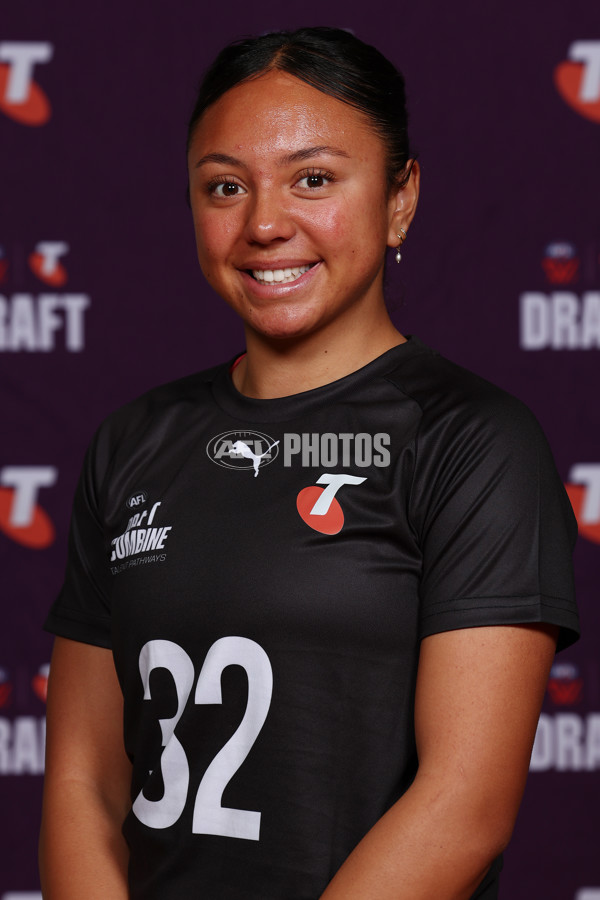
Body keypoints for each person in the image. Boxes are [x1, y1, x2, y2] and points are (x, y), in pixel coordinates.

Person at [39, 27, 579, 900]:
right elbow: (82, 784)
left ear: (400, 198)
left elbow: (464, 806)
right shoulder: (133, 441)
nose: (263, 224)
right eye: (225, 187)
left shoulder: (471, 441)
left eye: (314, 179)